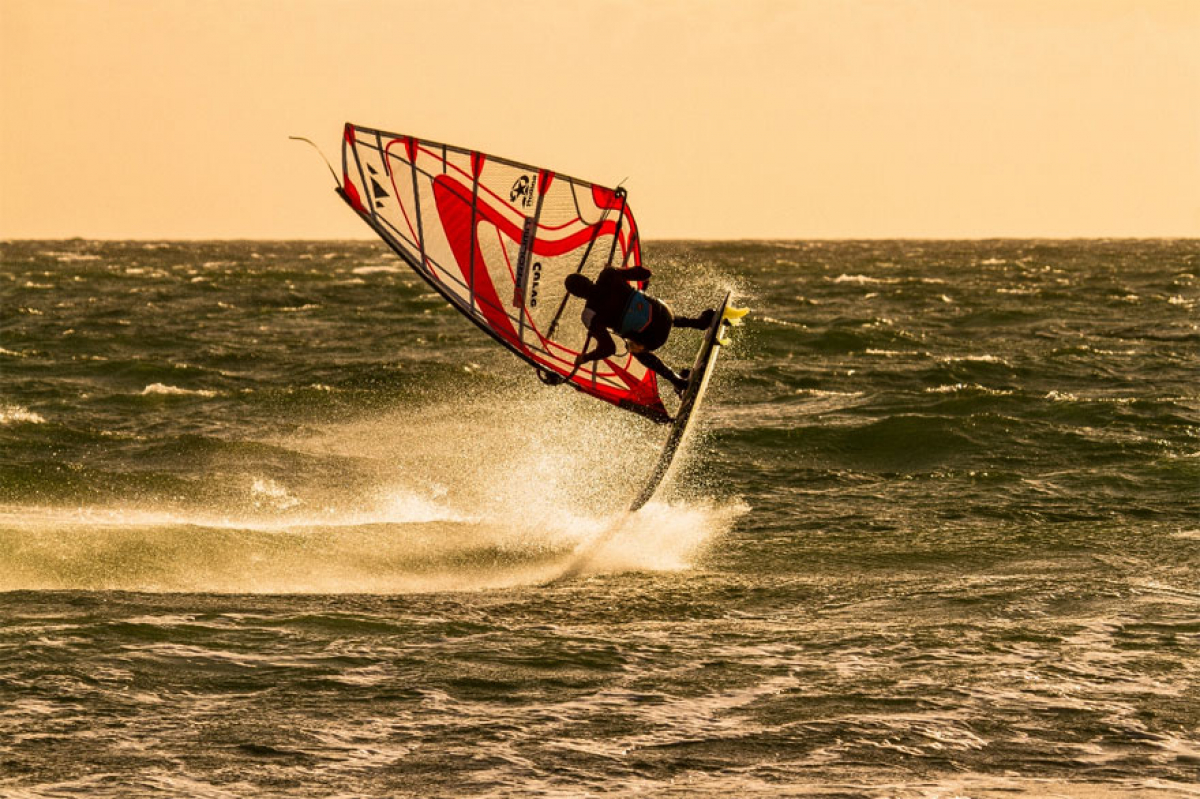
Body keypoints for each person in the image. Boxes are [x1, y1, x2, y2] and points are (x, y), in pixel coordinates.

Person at [563, 266, 715, 395]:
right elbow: (645, 274)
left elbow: (609, 349)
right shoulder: (608, 274)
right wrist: (618, 270)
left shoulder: (589, 315)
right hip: (666, 316)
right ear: (587, 279)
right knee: (650, 308)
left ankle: (677, 381)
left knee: (633, 347)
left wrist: (585, 358)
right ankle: (699, 323)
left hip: (653, 339)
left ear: (576, 296)